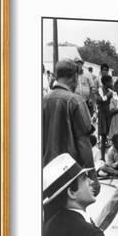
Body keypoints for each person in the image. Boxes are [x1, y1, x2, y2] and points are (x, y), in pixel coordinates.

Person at [42, 58, 99, 195]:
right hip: (70, 172)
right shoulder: (75, 101)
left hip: (46, 172)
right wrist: (92, 175)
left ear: (56, 76)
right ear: (75, 77)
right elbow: (83, 141)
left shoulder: (43, 101)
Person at [96, 74, 114, 160]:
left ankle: (114, 157)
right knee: (103, 137)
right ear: (106, 82)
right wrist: (107, 96)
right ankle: (102, 157)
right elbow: (99, 100)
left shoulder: (111, 91)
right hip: (103, 114)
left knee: (113, 136)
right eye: (110, 81)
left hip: (110, 114)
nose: (112, 83)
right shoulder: (99, 90)